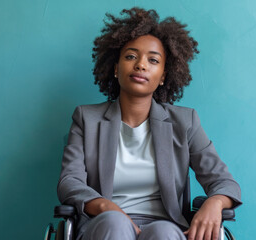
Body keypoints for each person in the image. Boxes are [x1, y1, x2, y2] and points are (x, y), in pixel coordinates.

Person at [57, 7, 242, 240]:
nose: (141, 65)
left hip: (166, 226)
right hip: (103, 224)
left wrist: (214, 203)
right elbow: (69, 181)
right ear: (116, 68)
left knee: (163, 232)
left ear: (164, 75)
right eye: (131, 56)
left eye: (153, 60)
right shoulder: (86, 118)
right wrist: (106, 207)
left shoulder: (185, 121)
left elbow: (224, 182)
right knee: (115, 224)